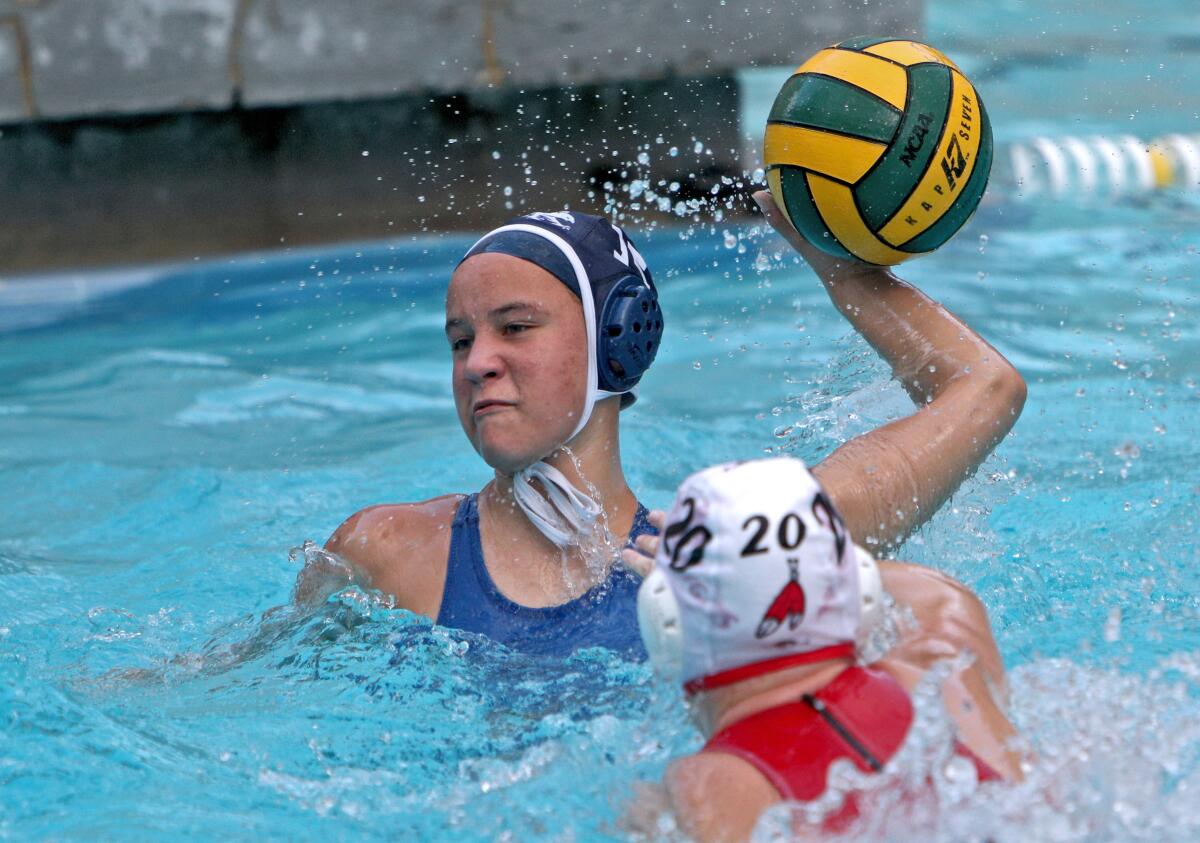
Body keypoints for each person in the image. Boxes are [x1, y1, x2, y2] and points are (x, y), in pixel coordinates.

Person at [306, 192, 1026, 659]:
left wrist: (836, 268)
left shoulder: (734, 558)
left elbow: (985, 387)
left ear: (618, 340)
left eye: (515, 327)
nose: (477, 363)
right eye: (460, 339)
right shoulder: (388, 552)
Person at [626, 457, 1024, 842]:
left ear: (665, 621)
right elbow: (935, 595)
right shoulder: (943, 671)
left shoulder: (699, 789)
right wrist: (807, 562)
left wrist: (703, 578)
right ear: (859, 585)